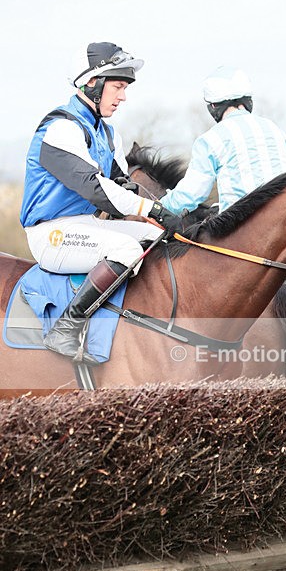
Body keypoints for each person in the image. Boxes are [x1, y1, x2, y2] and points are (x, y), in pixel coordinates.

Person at [20, 41, 184, 363]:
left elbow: (124, 186)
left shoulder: (107, 134)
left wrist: (169, 213)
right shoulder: (60, 129)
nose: (123, 96)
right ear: (91, 83)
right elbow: (97, 189)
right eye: (118, 86)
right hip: (51, 234)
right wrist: (150, 210)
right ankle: (66, 327)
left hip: (86, 226)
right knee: (127, 250)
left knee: (155, 238)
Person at [160, 65, 286, 216]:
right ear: (248, 100)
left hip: (243, 228)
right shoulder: (275, 129)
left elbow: (190, 195)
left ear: (213, 106)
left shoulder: (210, 139)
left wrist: (158, 207)